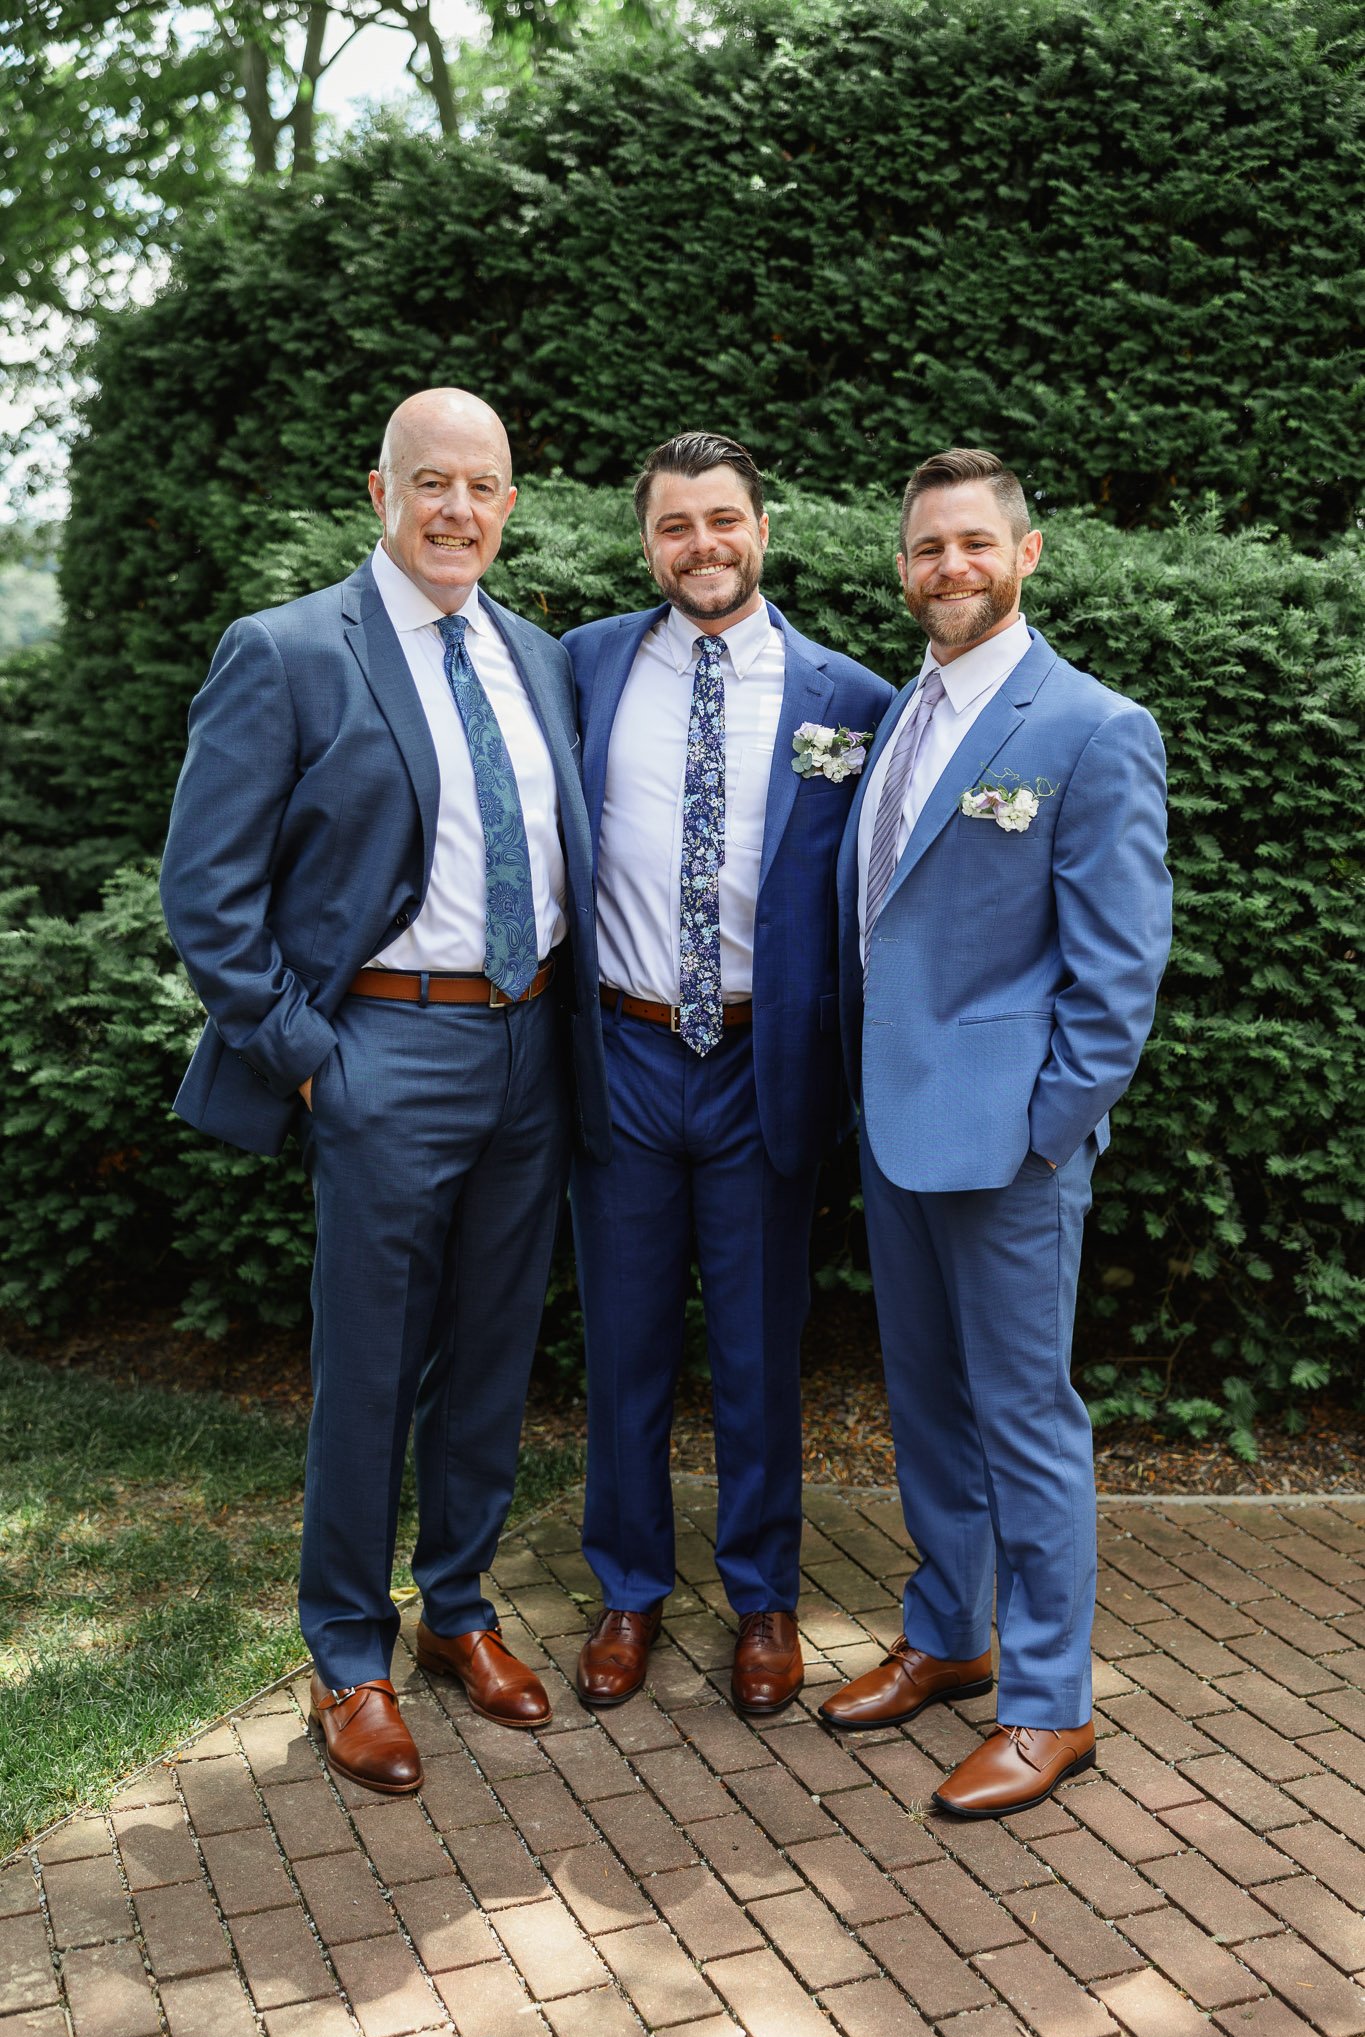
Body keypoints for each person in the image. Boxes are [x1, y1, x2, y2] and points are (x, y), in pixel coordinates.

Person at [161, 388, 609, 1794]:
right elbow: (207, 890)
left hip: (530, 1044)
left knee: (488, 1357)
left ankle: (458, 1612)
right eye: (431, 484)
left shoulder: (535, 657)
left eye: (482, 487)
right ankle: (349, 1652)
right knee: (369, 1368)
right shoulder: (288, 651)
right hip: (380, 1052)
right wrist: (307, 1057)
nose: (457, 510)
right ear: (380, 492)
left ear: (511, 504)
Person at [819, 448, 1171, 1817]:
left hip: (1009, 1146)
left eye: (974, 543)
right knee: (926, 1408)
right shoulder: (898, 716)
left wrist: (1049, 1130)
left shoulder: (1088, 726)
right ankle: (949, 1634)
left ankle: (1048, 1703)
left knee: (1026, 1418)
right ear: (903, 567)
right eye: (926, 548)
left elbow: (1117, 970)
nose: (948, 566)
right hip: (888, 1131)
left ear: (1026, 555)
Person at [565, 432, 893, 1717]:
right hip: (628, 1051)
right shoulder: (585, 667)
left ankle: (763, 1598)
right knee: (626, 1343)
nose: (700, 545)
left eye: (722, 520)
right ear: (646, 542)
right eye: (674, 526)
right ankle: (630, 1590)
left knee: (760, 1351)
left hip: (766, 1058)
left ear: (765, 525)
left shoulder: (849, 697)